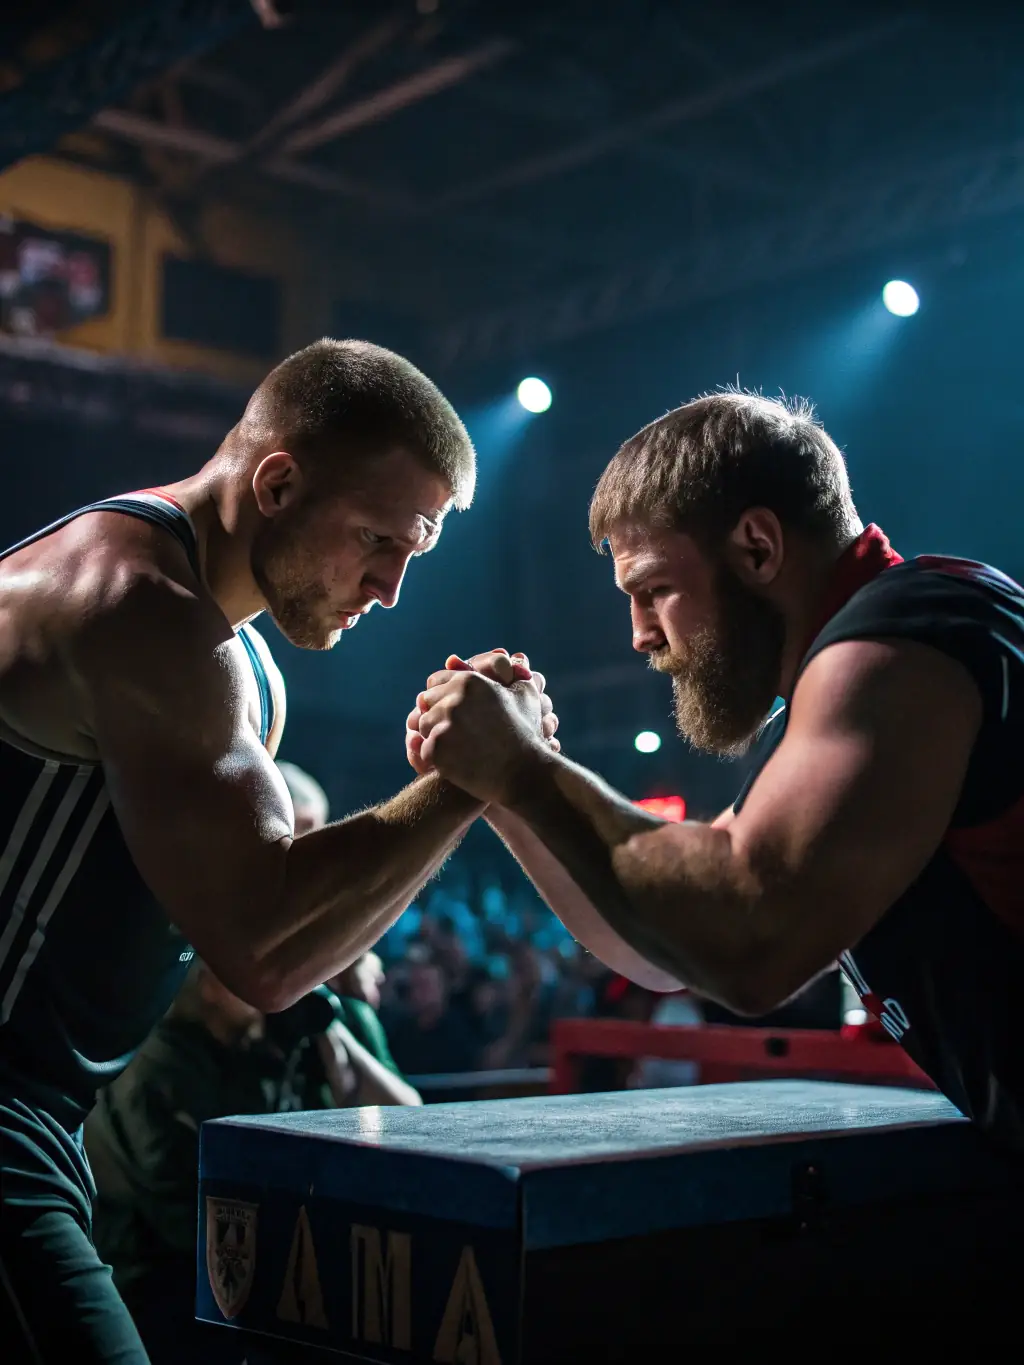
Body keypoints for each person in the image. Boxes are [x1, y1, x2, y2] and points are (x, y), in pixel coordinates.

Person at [0, 337, 556, 1362]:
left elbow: (269, 908)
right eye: (376, 542)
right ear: (280, 480)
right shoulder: (141, 612)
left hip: (42, 1112)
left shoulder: (232, 651)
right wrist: (463, 781)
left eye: (411, 556)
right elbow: (262, 950)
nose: (389, 588)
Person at [409, 389, 1024, 1152]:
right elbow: (672, 953)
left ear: (758, 547)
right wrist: (506, 791)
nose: (640, 636)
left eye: (654, 589)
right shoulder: (857, 671)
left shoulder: (900, 644)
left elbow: (748, 938)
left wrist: (524, 769)